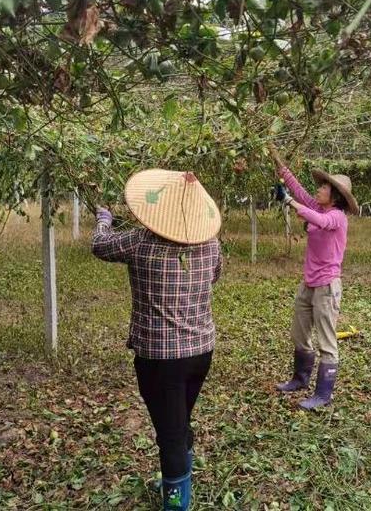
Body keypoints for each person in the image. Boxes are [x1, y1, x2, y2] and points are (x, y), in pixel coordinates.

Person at [92, 169, 223, 511]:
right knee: (178, 421)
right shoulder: (211, 244)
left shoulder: (139, 241)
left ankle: (177, 502)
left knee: (170, 434)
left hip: (160, 358)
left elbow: (99, 246)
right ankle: (177, 482)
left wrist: (105, 219)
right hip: (201, 351)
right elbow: (215, 276)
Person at [269, 144, 359, 410]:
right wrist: (278, 163)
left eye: (323, 188)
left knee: (327, 341)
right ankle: (300, 379)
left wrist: (288, 202)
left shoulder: (336, 217)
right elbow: (297, 189)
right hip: (308, 282)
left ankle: (323, 394)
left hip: (327, 286)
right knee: (299, 333)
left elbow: (318, 221)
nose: (318, 190)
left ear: (334, 197)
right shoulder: (318, 207)